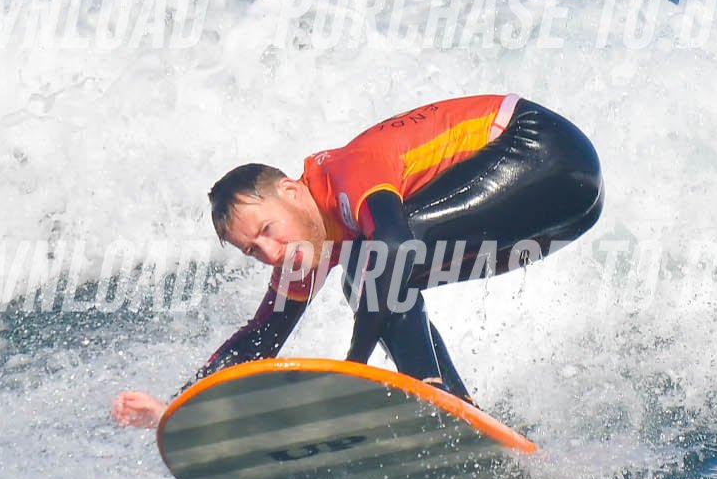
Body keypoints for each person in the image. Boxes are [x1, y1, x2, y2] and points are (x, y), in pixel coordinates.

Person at [110, 95, 603, 426]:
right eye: (252, 251)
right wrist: (176, 408)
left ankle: (432, 393)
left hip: (545, 151)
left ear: (290, 191)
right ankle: (459, 411)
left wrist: (354, 366)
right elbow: (262, 338)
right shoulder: (310, 247)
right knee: (370, 273)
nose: (271, 254)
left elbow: (395, 247)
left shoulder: (347, 174)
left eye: (267, 231)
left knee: (379, 259)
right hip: (561, 217)